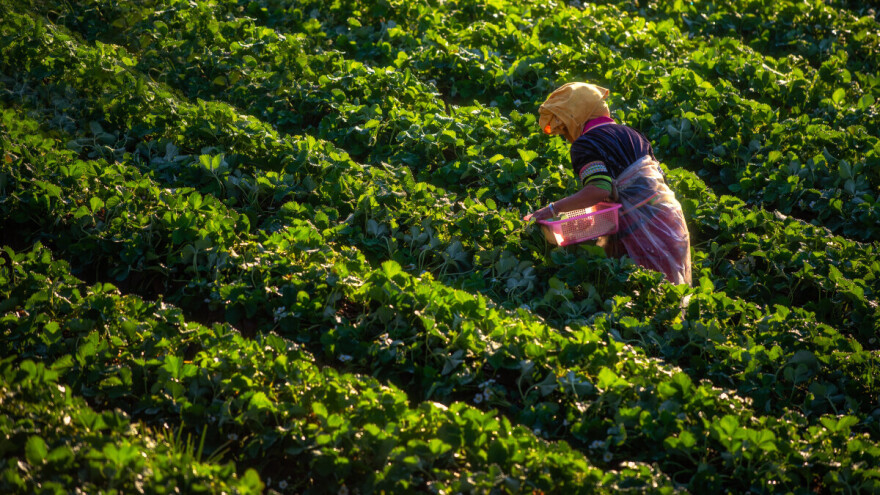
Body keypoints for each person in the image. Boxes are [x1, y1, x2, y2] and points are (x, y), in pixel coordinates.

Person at [524, 82, 692, 286]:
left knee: (645, 290)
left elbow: (599, 189)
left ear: (577, 117)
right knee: (673, 292)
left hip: (641, 230)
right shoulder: (633, 134)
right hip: (669, 218)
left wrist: (552, 209)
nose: (567, 137)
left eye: (565, 128)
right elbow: (651, 181)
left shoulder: (586, 144)